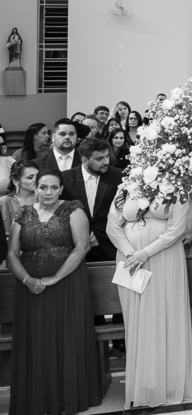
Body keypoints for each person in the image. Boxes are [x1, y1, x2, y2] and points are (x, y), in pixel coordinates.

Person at [6, 168, 103, 415]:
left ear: (61, 189)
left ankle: (67, 398)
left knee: (66, 337)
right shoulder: (24, 213)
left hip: (68, 285)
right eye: (43, 187)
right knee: (36, 339)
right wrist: (28, 280)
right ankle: (39, 398)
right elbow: (11, 254)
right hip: (31, 288)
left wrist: (55, 278)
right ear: (35, 188)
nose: (48, 192)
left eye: (53, 187)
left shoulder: (73, 210)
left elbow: (82, 248)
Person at [107, 190, 192, 408]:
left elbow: (176, 230)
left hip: (164, 258)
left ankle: (169, 385)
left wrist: (145, 253)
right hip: (130, 260)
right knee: (137, 322)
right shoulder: (125, 188)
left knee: (165, 317)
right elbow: (112, 226)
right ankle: (143, 386)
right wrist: (131, 253)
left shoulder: (176, 189)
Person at [60, 138, 121, 262]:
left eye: (107, 156)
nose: (105, 162)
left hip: (109, 246)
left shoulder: (119, 176)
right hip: (75, 248)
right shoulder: (65, 178)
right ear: (84, 160)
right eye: (99, 159)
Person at [2, 161, 38, 240]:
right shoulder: (3, 202)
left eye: (38, 176)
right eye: (30, 177)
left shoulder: (44, 199)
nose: (36, 180)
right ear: (16, 181)